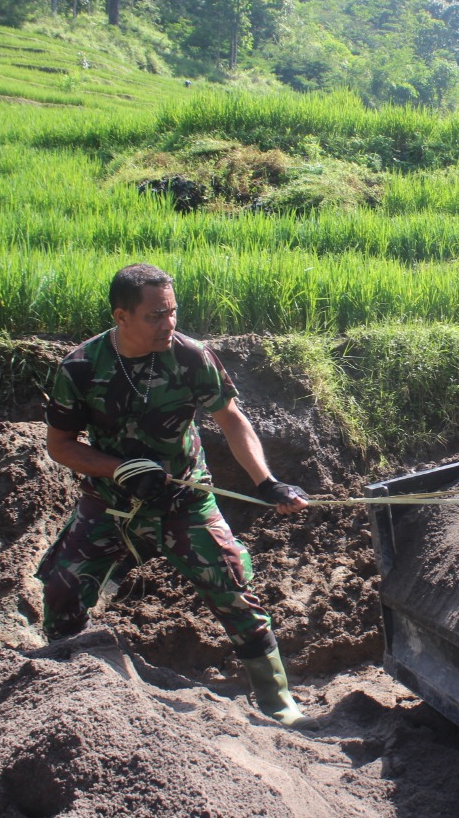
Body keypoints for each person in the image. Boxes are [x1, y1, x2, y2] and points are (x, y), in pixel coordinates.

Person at [36, 262, 316, 729]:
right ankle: (57, 686)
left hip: (184, 501)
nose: (168, 324)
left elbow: (231, 419)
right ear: (121, 316)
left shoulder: (190, 357)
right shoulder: (81, 367)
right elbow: (59, 445)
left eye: (173, 312)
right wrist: (120, 469)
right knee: (63, 588)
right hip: (111, 501)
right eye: (154, 316)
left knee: (231, 586)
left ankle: (276, 699)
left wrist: (266, 483)